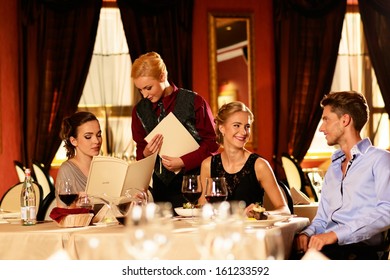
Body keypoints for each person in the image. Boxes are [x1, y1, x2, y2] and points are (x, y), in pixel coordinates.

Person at [294, 91, 390, 260]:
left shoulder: (380, 159)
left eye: (326, 119)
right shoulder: (334, 167)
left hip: (361, 253)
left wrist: (336, 234)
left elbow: (387, 210)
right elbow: (322, 219)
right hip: (331, 249)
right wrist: (306, 233)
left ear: (345, 120)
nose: (321, 128)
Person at [131, 51, 219, 208]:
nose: (144, 95)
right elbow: (140, 152)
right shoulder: (138, 111)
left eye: (148, 88)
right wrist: (146, 154)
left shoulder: (195, 102)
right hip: (161, 191)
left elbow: (212, 145)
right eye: (140, 90)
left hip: (195, 186)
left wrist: (183, 161)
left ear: (163, 76)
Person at [199, 101, 291, 216]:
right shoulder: (208, 165)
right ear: (222, 128)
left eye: (247, 127)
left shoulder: (259, 165)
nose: (243, 132)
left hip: (252, 232)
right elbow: (203, 209)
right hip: (220, 231)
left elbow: (284, 210)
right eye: (236, 125)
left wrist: (262, 213)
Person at [55, 111, 102, 207]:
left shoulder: (104, 167)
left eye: (98, 135)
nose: (96, 141)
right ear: (74, 141)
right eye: (88, 137)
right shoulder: (67, 170)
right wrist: (76, 207)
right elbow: (62, 216)